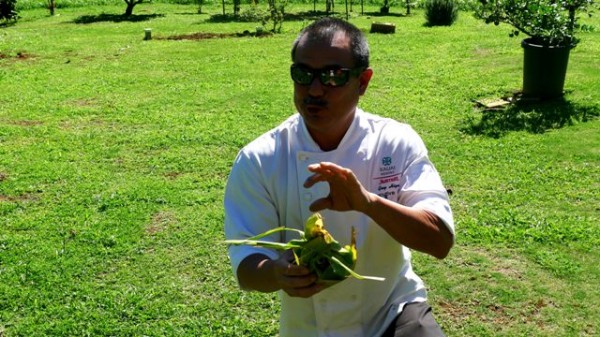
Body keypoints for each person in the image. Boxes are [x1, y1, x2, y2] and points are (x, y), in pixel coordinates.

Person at [224, 17, 454, 337]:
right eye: (303, 74)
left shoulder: (395, 142)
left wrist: (368, 203)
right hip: (310, 328)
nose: (315, 89)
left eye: (333, 76)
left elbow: (440, 240)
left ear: (363, 82)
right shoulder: (261, 159)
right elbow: (246, 265)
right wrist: (277, 274)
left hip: (393, 311)